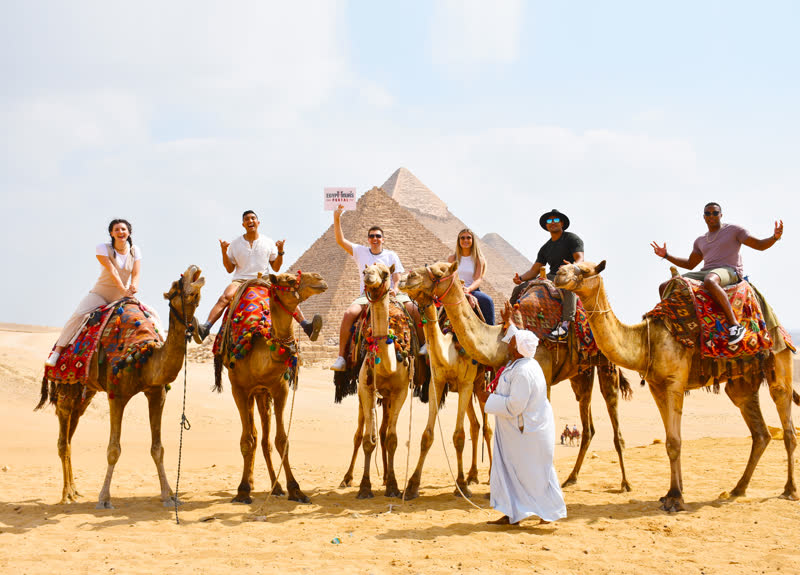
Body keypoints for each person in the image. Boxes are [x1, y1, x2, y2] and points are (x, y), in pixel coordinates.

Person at [650, 202, 784, 346]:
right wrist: (667, 255)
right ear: (704, 217)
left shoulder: (734, 230)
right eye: (708, 213)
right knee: (666, 285)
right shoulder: (700, 240)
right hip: (706, 271)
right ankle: (672, 325)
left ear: (721, 215)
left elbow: (759, 245)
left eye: (715, 213)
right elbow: (689, 264)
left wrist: (774, 237)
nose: (711, 216)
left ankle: (735, 325)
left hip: (730, 270)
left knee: (710, 280)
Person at [475, 324, 567, 526]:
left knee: (532, 475)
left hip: (525, 434)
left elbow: (514, 406)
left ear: (518, 349)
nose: (509, 343)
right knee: (516, 474)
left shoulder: (524, 372)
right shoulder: (522, 364)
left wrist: (487, 398)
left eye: (513, 342)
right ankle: (513, 514)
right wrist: (508, 322)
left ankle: (545, 514)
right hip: (518, 434)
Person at [194, 210, 321, 342]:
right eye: (247, 219)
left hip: (264, 279)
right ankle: (205, 328)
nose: (250, 221)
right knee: (225, 298)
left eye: (253, 218)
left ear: (258, 222)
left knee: (287, 296)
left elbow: (276, 267)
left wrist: (280, 252)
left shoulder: (268, 242)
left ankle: (306, 326)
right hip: (241, 280)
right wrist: (224, 252)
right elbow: (229, 269)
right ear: (243, 224)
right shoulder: (235, 244)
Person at [329, 204, 425, 371]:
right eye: (372, 236)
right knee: (348, 314)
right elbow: (340, 241)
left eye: (378, 236)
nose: (375, 239)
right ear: (368, 239)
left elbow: (397, 277)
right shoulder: (360, 251)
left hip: (392, 293)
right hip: (367, 295)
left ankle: (424, 346)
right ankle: (341, 357)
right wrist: (336, 218)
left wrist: (395, 289)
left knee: (416, 310)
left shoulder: (391, 255)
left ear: (383, 239)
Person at [45, 219, 144, 367]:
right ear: (111, 233)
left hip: (121, 297)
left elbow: (136, 274)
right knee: (79, 315)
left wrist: (133, 287)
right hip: (100, 295)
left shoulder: (135, 250)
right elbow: (113, 272)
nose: (120, 232)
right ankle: (57, 352)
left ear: (129, 232)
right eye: (116, 229)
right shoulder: (103, 248)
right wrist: (124, 290)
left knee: (147, 315)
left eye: (123, 229)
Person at [513, 209, 584, 341]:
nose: (552, 222)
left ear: (562, 223)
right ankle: (511, 320)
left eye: (556, 220)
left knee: (568, 287)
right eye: (549, 221)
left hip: (570, 274)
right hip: (551, 277)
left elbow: (580, 258)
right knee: (519, 289)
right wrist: (520, 278)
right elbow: (534, 271)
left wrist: (571, 267)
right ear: (546, 225)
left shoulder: (571, 239)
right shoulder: (545, 247)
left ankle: (565, 325)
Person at [447, 228, 495, 324]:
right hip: (455, 290)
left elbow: (478, 279)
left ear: (473, 240)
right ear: (458, 240)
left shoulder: (478, 259)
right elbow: (449, 278)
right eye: (462, 238)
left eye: (468, 238)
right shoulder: (452, 259)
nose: (465, 240)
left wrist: (468, 289)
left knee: (488, 301)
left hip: (472, 290)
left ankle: (490, 329)